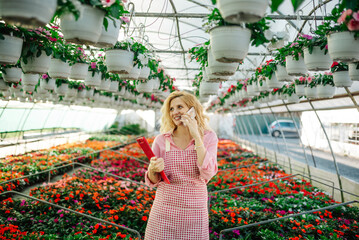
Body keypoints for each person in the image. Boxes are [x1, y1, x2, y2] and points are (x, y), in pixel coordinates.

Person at [144, 91, 218, 240]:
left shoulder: (209, 137)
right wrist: (153, 169)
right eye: (171, 109)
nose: (175, 112)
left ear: (193, 110)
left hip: (194, 209)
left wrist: (197, 136)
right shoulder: (161, 140)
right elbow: (153, 180)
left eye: (180, 107)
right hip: (164, 208)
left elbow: (208, 173)